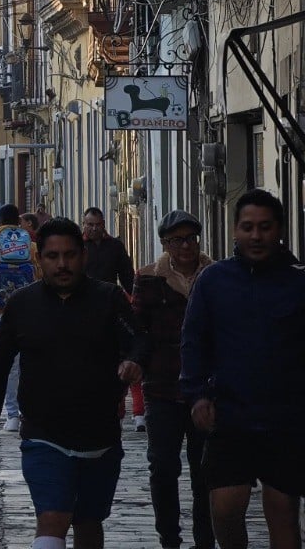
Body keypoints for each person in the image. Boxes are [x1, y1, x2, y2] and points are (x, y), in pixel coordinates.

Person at [0, 218, 144, 549]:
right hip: (43, 436)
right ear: (40, 259)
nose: (62, 264)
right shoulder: (22, 304)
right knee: (52, 518)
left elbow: (137, 340)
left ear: (83, 256)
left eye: (69, 255)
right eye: (53, 256)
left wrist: (134, 361)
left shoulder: (108, 299)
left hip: (99, 437)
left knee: (88, 523)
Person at [181, 188, 305, 549]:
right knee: (224, 507)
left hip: (286, 419)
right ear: (235, 230)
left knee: (283, 511)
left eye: (265, 227)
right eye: (248, 227)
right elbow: (193, 342)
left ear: (279, 230)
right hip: (230, 414)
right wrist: (197, 395)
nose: (256, 236)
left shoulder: (298, 282)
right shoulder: (214, 281)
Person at [131, 210, 214, 549]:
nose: (186, 246)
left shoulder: (215, 276)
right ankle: (169, 538)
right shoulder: (149, 279)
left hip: (206, 390)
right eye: (177, 240)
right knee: (162, 467)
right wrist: (136, 362)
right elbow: (138, 329)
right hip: (162, 387)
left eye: (191, 238)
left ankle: (205, 539)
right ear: (165, 244)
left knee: (206, 470)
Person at [82, 207, 142, 431]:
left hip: (112, 305)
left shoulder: (115, 246)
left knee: (122, 353)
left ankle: (130, 409)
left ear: (104, 224)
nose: (94, 228)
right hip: (85, 307)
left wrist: (135, 301)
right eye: (90, 224)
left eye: (97, 224)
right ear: (84, 225)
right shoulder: (78, 247)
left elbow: (127, 275)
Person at [0, 204, 37, 431]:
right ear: (18, 221)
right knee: (28, 360)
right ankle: (28, 411)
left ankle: (12, 415)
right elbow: (39, 273)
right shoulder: (31, 245)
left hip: (2, 309)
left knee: (9, 363)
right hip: (28, 308)